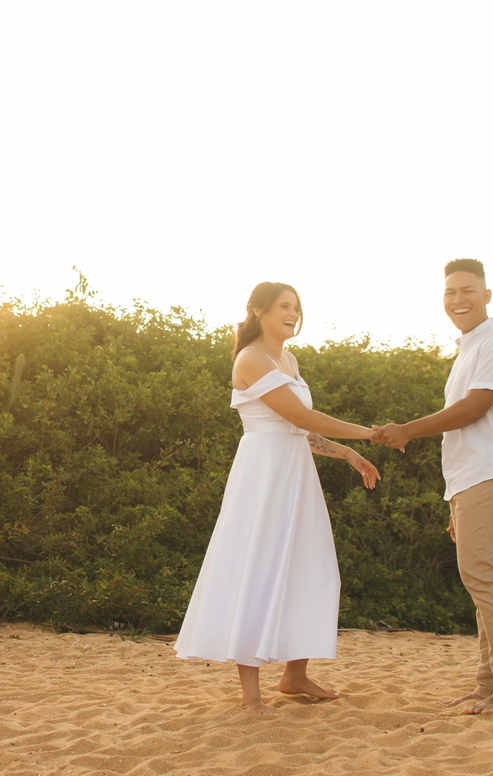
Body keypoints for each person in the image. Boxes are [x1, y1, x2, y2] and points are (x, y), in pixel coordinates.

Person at [174, 281, 381, 715]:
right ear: (258, 311)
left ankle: (296, 675)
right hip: (263, 475)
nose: (292, 313)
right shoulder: (250, 358)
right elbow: (299, 415)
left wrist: (347, 453)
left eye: (296, 307)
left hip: (295, 472)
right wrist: (370, 432)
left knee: (310, 566)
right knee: (259, 567)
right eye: (284, 306)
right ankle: (251, 695)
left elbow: (301, 430)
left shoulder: (289, 359)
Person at [374, 258, 493, 715]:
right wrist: (454, 506)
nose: (458, 299)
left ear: (487, 294)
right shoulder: (470, 347)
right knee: (484, 577)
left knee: (483, 578)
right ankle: (489, 684)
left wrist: (407, 429)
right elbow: (464, 430)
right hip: (472, 479)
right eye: (450, 292)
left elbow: (475, 409)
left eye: (468, 290)